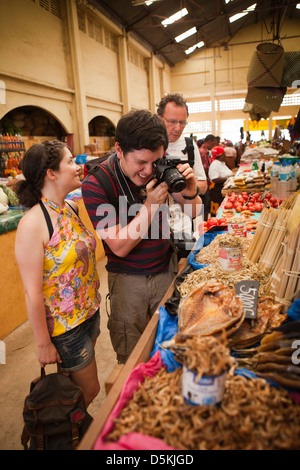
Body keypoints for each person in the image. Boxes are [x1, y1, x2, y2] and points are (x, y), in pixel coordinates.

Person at [82, 109, 201, 364]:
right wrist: (150, 207)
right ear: (119, 149)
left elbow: (194, 211)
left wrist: (191, 191)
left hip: (165, 271)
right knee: (133, 355)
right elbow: (119, 247)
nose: (149, 170)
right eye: (141, 163)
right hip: (127, 283)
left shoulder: (159, 163)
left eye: (155, 161)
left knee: (174, 345)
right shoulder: (96, 184)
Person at [14, 140, 101, 407]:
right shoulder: (32, 223)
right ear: (51, 173)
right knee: (89, 391)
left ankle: (73, 434)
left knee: (71, 392)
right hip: (66, 329)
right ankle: (70, 437)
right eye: (70, 161)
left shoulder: (71, 208)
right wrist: (43, 343)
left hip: (89, 313)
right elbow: (32, 291)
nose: (78, 167)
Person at [156, 93, 207, 254]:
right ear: (159, 117)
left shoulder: (189, 146)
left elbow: (203, 185)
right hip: (153, 229)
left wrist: (185, 187)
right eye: (172, 122)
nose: (177, 128)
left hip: (183, 226)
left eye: (182, 122)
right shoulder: (147, 143)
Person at [208, 146, 233, 216]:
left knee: (222, 208)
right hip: (217, 190)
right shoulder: (215, 164)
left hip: (221, 189)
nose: (225, 156)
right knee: (218, 208)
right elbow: (214, 179)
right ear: (220, 155)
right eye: (224, 154)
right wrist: (228, 178)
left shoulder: (221, 163)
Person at [198, 134, 217, 220]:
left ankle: (205, 221)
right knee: (205, 204)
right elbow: (204, 169)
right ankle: (205, 223)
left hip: (206, 181)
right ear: (209, 142)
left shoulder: (206, 151)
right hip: (203, 181)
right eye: (213, 144)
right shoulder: (203, 152)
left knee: (206, 204)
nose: (214, 146)